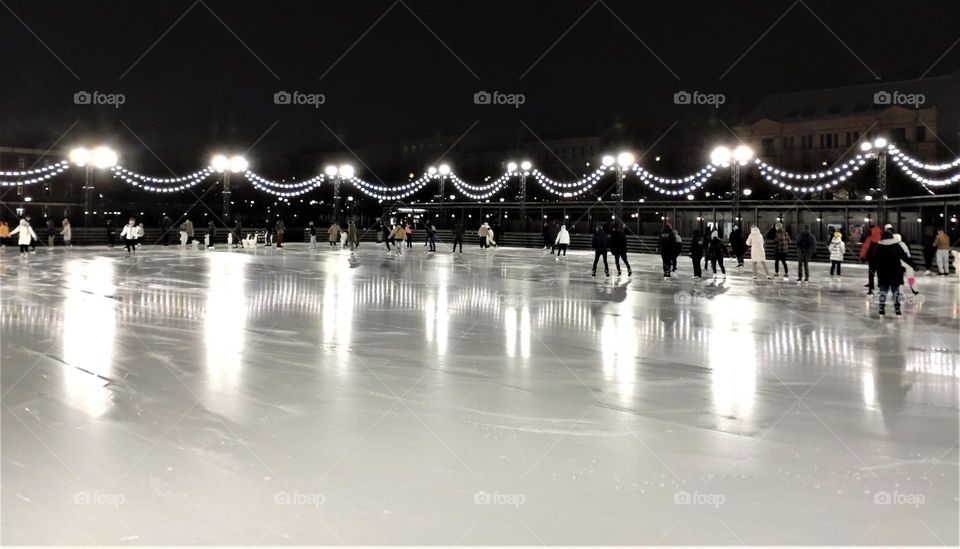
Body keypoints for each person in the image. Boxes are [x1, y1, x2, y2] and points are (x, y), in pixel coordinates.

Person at [871, 229, 916, 316]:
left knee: (883, 290)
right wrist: (913, 265)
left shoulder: (879, 247)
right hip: (895, 271)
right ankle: (897, 308)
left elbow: (874, 259)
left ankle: (881, 307)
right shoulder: (896, 246)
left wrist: (872, 270)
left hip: (883, 272)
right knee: (896, 290)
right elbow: (904, 257)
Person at [860, 225, 882, 293]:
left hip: (872, 259)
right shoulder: (882, 238)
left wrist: (862, 256)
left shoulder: (869, 238)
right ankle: (881, 287)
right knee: (880, 273)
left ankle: (871, 288)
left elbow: (865, 248)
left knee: (871, 274)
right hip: (880, 259)